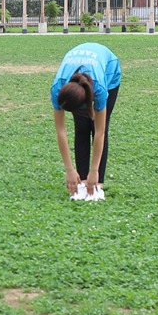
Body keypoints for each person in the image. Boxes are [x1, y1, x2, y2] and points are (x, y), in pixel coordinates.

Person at [51, 42, 121, 201]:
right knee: (81, 127)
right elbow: (60, 131)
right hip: (78, 82)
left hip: (109, 70)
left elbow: (100, 132)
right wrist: (69, 169)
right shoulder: (57, 88)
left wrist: (95, 170)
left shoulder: (100, 90)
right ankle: (82, 181)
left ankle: (97, 184)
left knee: (97, 127)